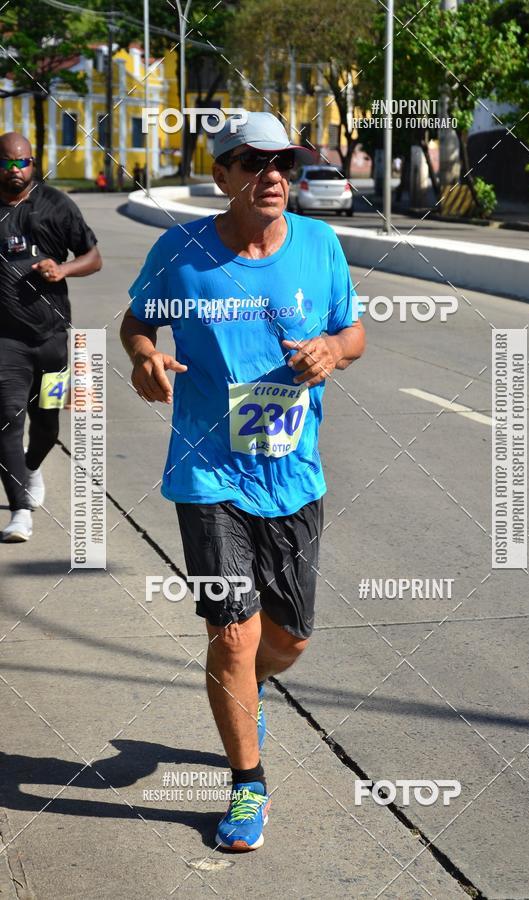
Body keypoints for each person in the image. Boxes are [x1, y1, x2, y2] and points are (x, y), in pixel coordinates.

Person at [120, 111, 365, 851]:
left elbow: (353, 332)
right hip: (208, 471)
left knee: (288, 639)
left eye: (284, 164)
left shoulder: (321, 246)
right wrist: (144, 358)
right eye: (251, 163)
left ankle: (248, 691)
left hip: (293, 473)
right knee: (232, 632)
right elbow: (138, 321)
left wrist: (332, 351)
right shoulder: (181, 251)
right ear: (221, 174)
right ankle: (248, 784)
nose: (273, 177)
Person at [0, 132, 102, 541]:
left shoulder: (56, 206)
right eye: (7, 163)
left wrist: (62, 270)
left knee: (47, 426)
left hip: (53, 338)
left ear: (33, 162)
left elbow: (93, 258)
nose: (16, 170)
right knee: (7, 418)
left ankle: (32, 465)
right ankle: (20, 509)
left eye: (23, 162)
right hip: (6, 340)